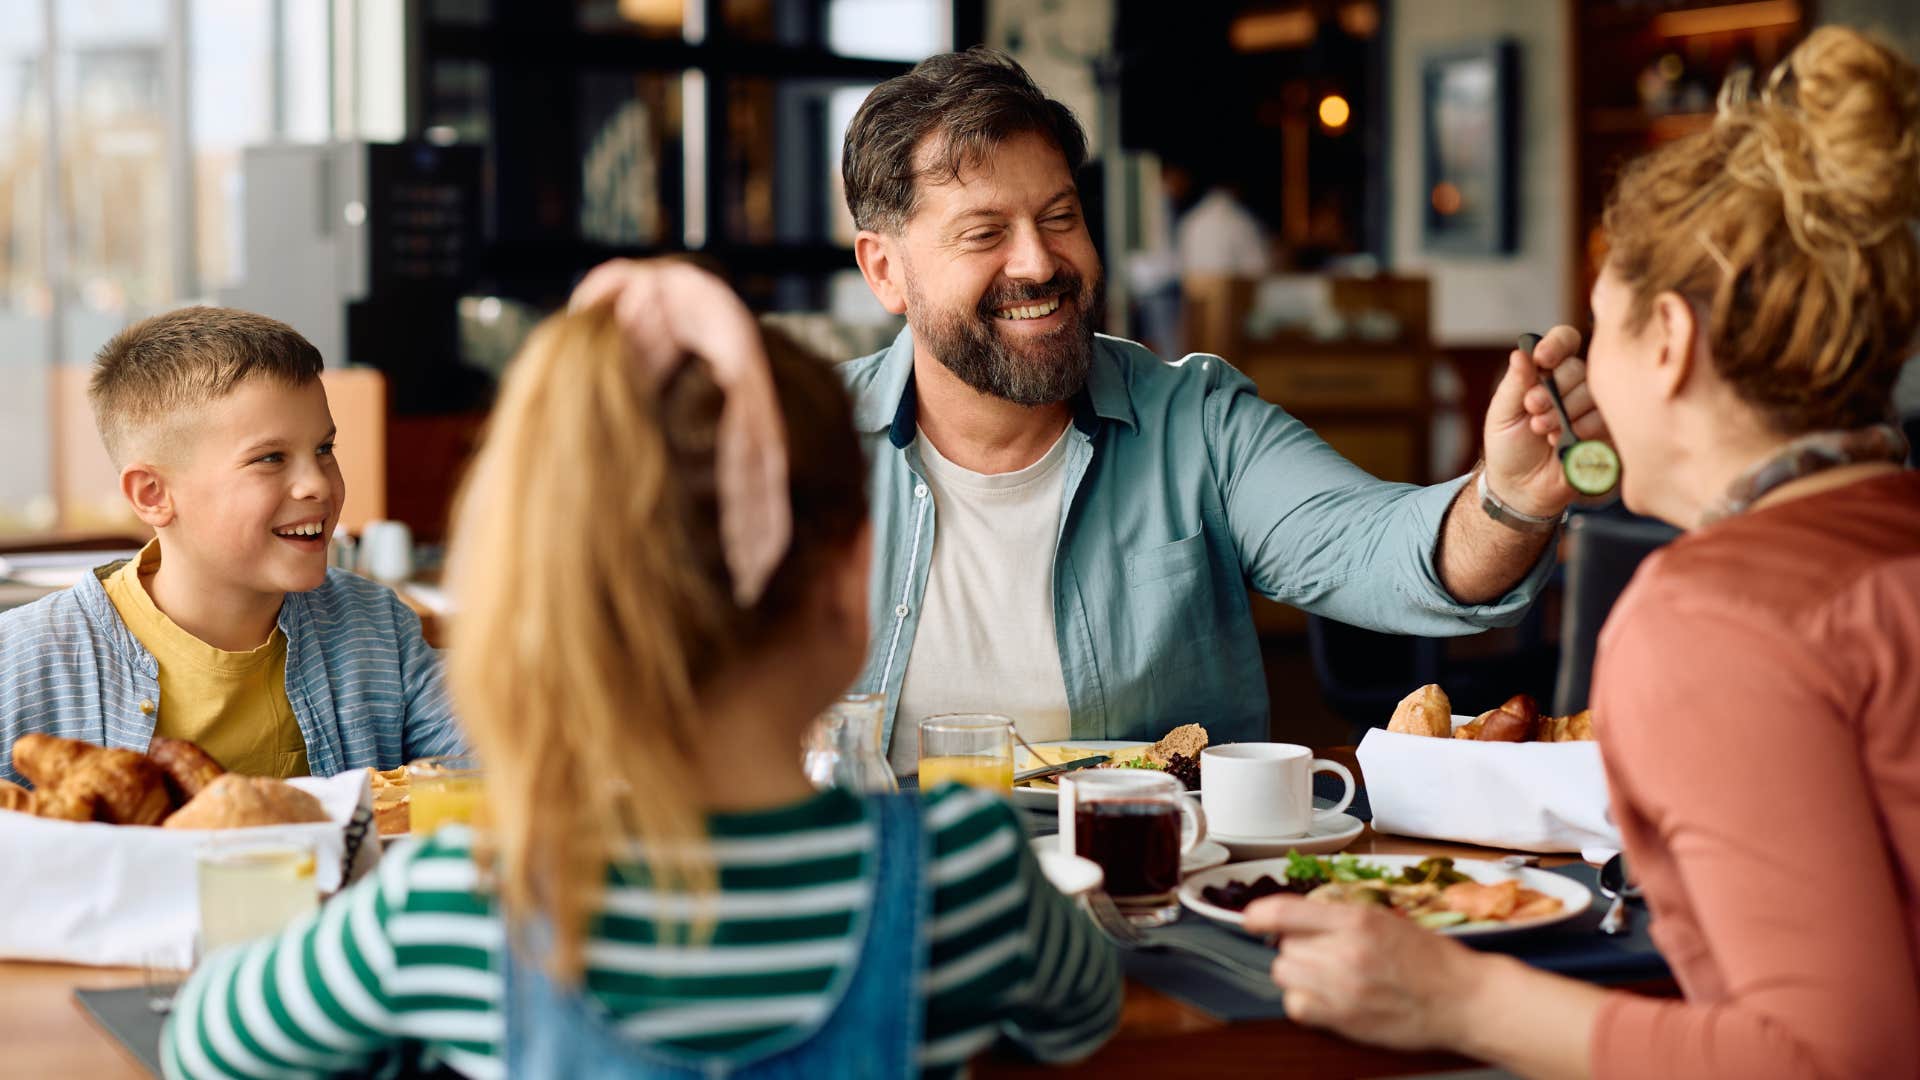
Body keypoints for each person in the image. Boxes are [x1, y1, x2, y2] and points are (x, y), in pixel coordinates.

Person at [159, 261, 1122, 1079]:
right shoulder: (968, 868)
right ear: (848, 580)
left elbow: (205, 1044)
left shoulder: (452, 904)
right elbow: (1084, 1017)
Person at [1245, 27, 1920, 1078]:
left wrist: (1456, 998)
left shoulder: (1707, 618)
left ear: (1669, 340)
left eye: (1598, 323)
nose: (1581, 362)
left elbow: (1829, 1061)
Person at [836, 48, 1598, 772]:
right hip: (883, 883)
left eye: (1060, 217)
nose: (1038, 262)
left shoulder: (1197, 423)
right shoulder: (799, 439)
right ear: (885, 270)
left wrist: (1512, 501)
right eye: (985, 233)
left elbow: (1383, 549)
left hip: (1152, 885)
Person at [0, 308, 459, 782]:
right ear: (153, 495)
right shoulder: (22, 663)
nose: (317, 485)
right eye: (270, 458)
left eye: (324, 449)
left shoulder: (377, 629)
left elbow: (487, 768)